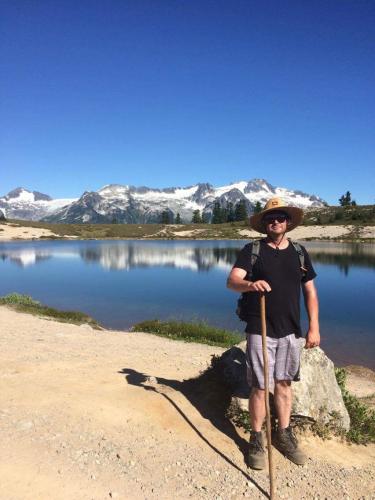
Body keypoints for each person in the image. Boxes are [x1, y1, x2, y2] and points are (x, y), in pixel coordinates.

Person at [227, 197, 320, 470]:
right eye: (270, 219)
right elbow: (232, 281)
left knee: (284, 384)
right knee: (259, 386)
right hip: (260, 328)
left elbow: (310, 292)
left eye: (280, 218)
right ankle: (257, 438)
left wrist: (314, 326)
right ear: (264, 224)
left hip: (291, 330)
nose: (275, 222)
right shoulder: (252, 250)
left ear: (288, 223)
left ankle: (284, 434)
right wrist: (250, 284)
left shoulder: (300, 253)